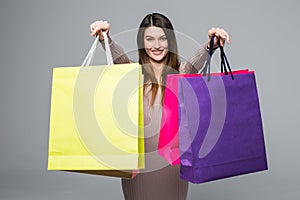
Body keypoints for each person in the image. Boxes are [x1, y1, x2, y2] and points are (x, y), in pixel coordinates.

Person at [90, 13, 230, 200]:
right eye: (150, 39)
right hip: (138, 166)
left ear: (170, 41)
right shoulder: (133, 74)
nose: (156, 46)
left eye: (163, 38)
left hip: (173, 167)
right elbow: (119, 60)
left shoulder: (180, 72)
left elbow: (196, 62)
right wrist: (105, 39)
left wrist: (210, 45)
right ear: (142, 42)